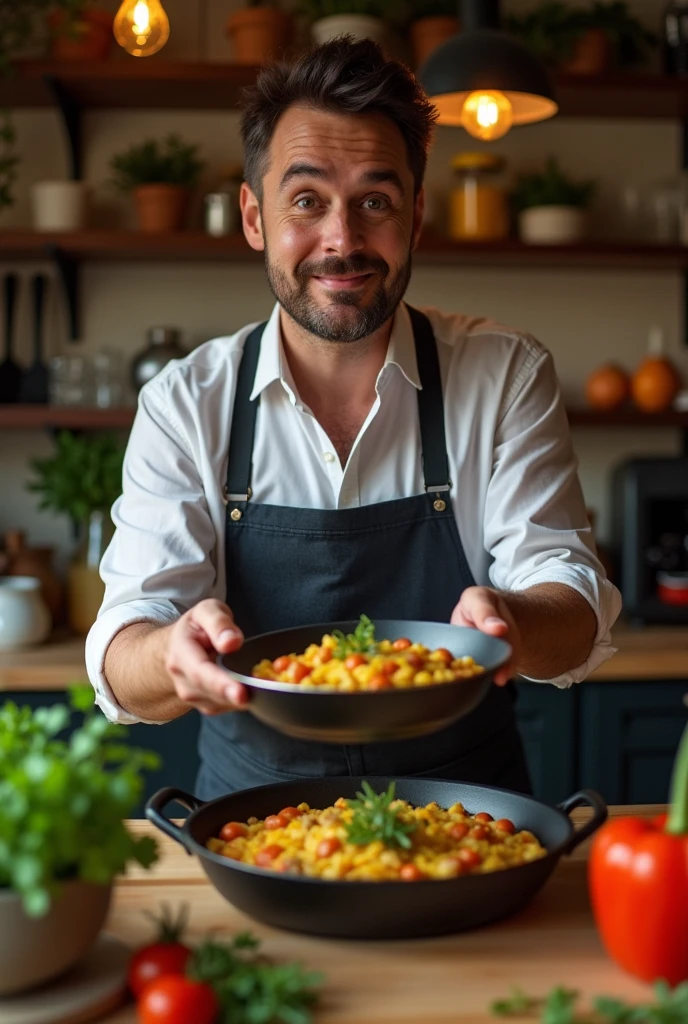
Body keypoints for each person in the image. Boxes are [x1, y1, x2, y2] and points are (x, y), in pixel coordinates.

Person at [86, 38, 621, 800]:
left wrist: (516, 622)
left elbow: (570, 598)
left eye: (376, 200)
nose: (342, 239)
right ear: (253, 217)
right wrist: (172, 653)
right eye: (306, 201)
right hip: (250, 822)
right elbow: (122, 650)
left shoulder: (504, 372)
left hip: (467, 821)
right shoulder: (186, 402)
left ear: (416, 215)